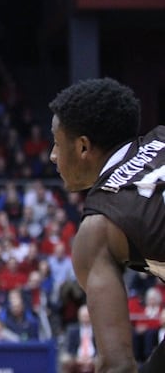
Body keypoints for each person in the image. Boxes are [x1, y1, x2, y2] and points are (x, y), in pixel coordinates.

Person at [48, 77, 165, 372]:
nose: (52, 155)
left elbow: (118, 366)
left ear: (83, 147)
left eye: (57, 143)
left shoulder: (97, 227)